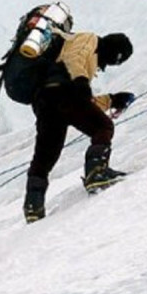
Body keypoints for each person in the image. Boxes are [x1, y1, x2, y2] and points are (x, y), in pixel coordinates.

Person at [24, 31, 135, 223]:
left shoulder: (77, 59)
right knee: (103, 126)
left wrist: (111, 100)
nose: (107, 66)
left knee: (45, 155)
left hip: (45, 100)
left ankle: (33, 206)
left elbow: (83, 105)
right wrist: (82, 83)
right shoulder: (89, 40)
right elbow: (73, 59)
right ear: (114, 51)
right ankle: (96, 172)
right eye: (116, 61)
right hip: (63, 93)